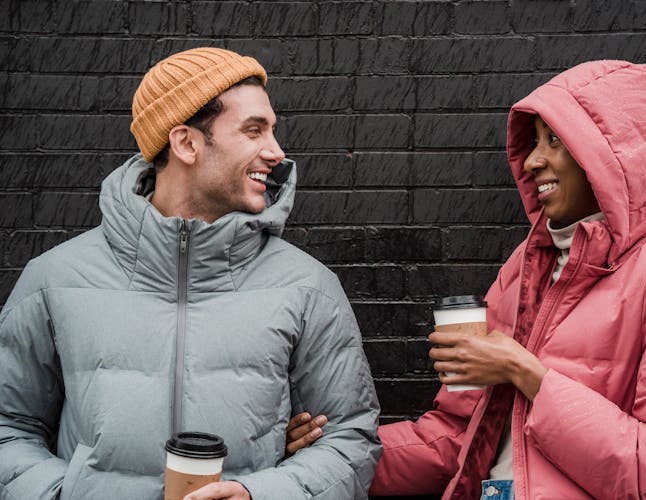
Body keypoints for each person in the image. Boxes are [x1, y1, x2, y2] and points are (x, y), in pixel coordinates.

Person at [286, 60, 646, 498]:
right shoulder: (526, 268)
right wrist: (334, 455)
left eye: (555, 141)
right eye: (534, 142)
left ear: (609, 156)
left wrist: (527, 374)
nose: (531, 162)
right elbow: (456, 439)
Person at [0, 47, 381, 500]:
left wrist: (259, 494)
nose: (276, 152)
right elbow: (9, 427)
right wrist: (60, 494)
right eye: (253, 130)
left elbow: (350, 440)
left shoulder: (308, 288)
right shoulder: (54, 279)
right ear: (185, 143)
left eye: (272, 130)